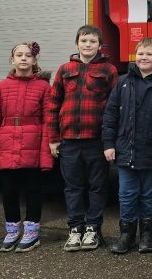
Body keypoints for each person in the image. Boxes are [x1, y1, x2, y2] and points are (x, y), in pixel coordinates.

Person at [102, 36, 152, 254]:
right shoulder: (123, 82)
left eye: (149, 53)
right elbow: (110, 115)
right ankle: (126, 235)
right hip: (126, 151)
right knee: (126, 194)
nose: (144, 57)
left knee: (149, 194)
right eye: (141, 53)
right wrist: (109, 143)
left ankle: (147, 235)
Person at [48, 25, 118, 251]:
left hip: (96, 139)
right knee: (73, 187)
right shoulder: (64, 69)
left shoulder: (109, 70)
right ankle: (75, 228)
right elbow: (53, 105)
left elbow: (115, 107)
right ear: (77, 43)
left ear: (99, 45)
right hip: (69, 140)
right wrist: (53, 138)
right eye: (84, 41)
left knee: (97, 186)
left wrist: (110, 140)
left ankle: (93, 229)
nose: (88, 45)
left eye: (93, 41)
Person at [0, 41, 53, 253]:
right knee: (9, 191)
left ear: (34, 60)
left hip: (33, 144)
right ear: (12, 60)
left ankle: (32, 230)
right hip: (7, 145)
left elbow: (48, 122)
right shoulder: (2, 87)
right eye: (19, 55)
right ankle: (12, 229)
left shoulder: (43, 87)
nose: (23, 58)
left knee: (33, 190)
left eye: (28, 55)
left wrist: (46, 155)